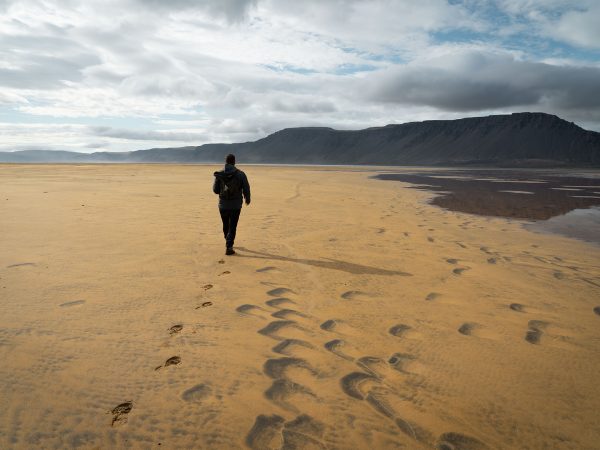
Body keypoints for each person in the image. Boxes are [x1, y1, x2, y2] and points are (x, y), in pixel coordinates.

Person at [213, 154, 251, 255]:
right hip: (236, 205)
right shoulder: (241, 174)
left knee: (226, 224)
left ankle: (228, 240)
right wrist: (248, 198)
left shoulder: (219, 174)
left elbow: (215, 190)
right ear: (234, 162)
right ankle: (229, 246)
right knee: (233, 226)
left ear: (225, 161)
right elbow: (246, 188)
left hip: (223, 205)